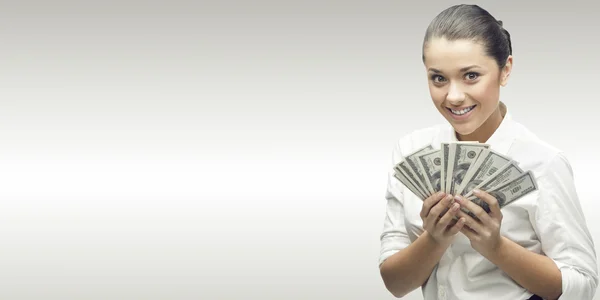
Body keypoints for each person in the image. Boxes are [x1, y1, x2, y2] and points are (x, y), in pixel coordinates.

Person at [378, 4, 598, 300]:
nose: (453, 96)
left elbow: (582, 286)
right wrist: (434, 239)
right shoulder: (410, 151)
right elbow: (396, 284)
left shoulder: (544, 163)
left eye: (471, 76)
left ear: (505, 69)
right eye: (438, 78)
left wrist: (496, 247)